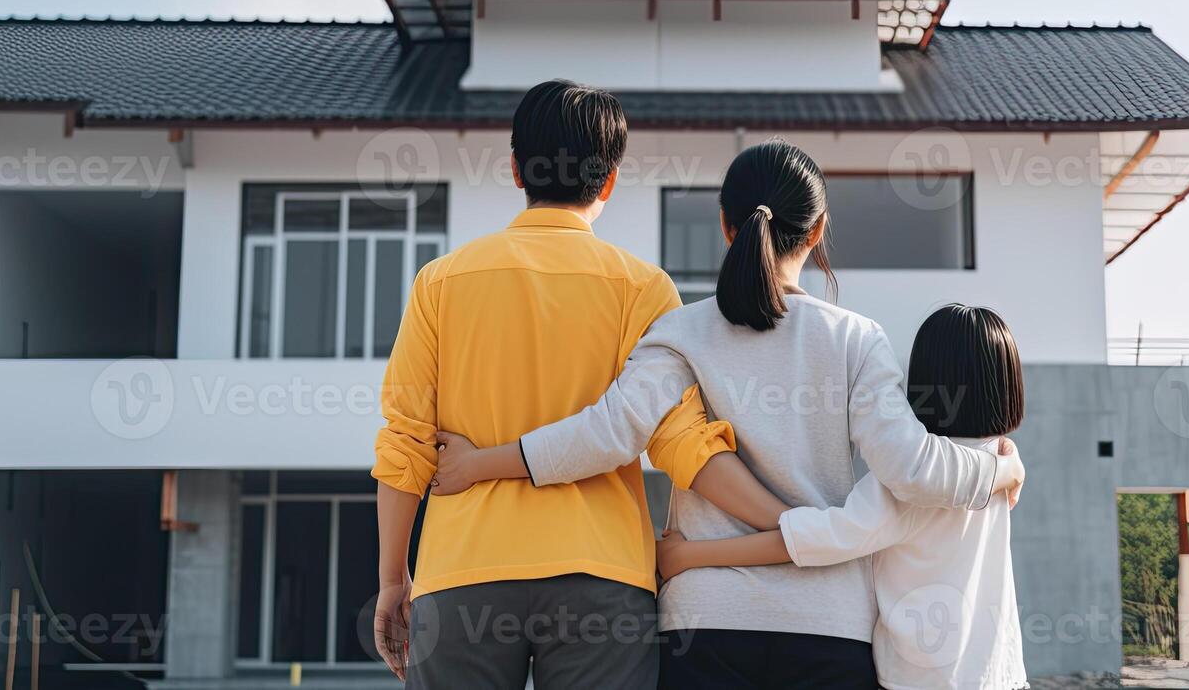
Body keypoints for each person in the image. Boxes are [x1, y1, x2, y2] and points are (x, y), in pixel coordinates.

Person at [432, 138, 1026, 689]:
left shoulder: (680, 331)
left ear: (725, 225)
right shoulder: (856, 338)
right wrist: (999, 470)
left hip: (704, 623)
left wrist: (479, 464)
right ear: (818, 230)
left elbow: (608, 433)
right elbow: (911, 469)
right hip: (827, 626)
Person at [371, 80, 732, 689]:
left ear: (516, 169)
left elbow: (405, 442)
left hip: (464, 575)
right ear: (609, 181)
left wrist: (391, 581)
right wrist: (783, 522)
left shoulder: (440, 283)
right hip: (604, 580)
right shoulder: (644, 288)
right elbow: (680, 444)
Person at [656, 304, 1029, 690]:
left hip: (922, 678)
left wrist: (690, 555)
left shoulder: (908, 487)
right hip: (1000, 672)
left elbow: (818, 538)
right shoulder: (999, 461)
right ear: (1009, 385)